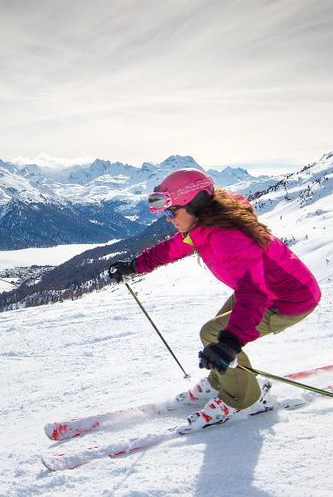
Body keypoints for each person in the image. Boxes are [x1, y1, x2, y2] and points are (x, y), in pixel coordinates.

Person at [107, 168, 321, 429]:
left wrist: (231, 343)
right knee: (219, 334)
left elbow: (253, 293)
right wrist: (134, 265)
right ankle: (222, 381)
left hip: (289, 300)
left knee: (215, 335)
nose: (169, 219)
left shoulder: (228, 237)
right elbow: (172, 248)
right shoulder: (204, 226)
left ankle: (245, 399)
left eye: (172, 212)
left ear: (194, 203)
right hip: (267, 290)